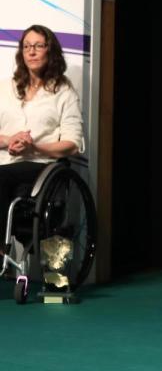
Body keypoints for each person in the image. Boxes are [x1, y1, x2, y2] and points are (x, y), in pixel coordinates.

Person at [0, 25, 84, 268]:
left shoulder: (63, 91)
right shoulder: (5, 88)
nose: (32, 52)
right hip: (7, 162)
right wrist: (8, 140)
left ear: (50, 50)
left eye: (38, 46)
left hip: (43, 167)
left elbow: (72, 143)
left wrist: (34, 147)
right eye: (27, 46)